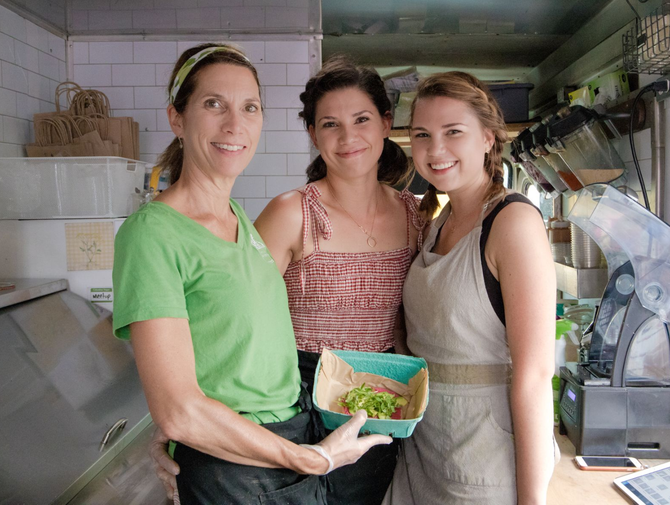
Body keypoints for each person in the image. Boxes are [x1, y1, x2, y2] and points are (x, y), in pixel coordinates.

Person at [112, 43, 391, 505]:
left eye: (249, 107)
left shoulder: (239, 218)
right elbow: (180, 409)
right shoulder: (152, 233)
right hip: (241, 468)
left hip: (286, 443)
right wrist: (309, 459)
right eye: (213, 104)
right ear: (177, 119)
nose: (233, 124)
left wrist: (304, 453)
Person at [383, 72, 557, 505]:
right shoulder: (436, 223)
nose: (435, 149)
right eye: (422, 134)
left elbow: (534, 376)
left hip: (483, 460)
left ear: (487, 138)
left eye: (453, 132)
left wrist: (531, 500)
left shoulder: (512, 223)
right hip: (425, 451)